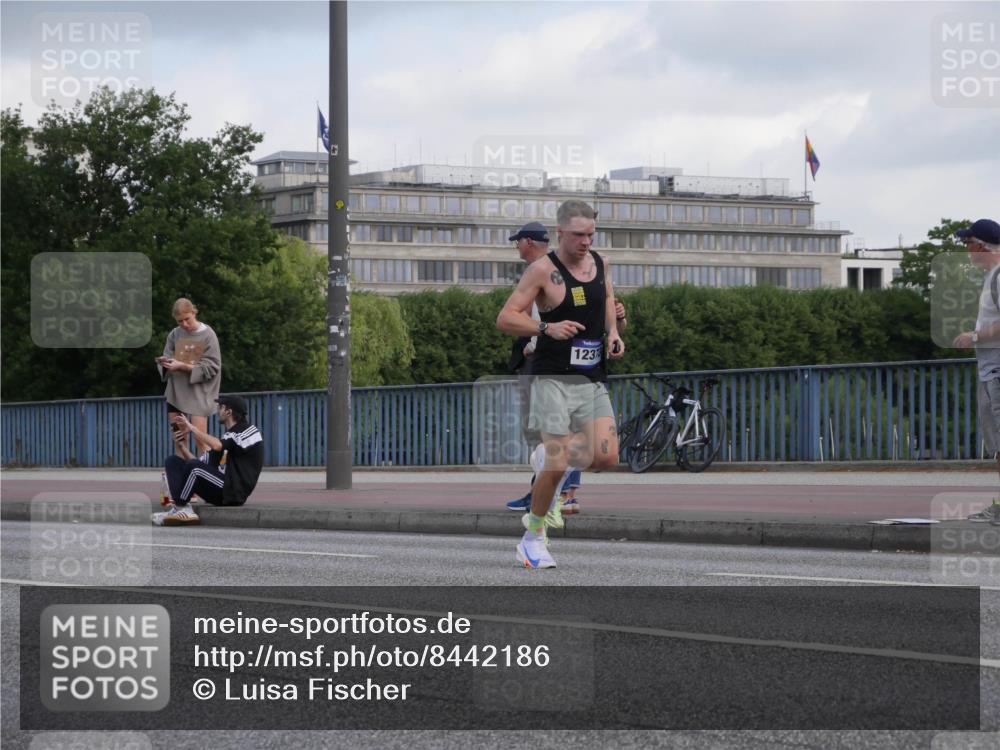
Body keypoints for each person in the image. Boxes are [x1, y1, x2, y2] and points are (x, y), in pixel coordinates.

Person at [497, 199, 625, 568]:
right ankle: (533, 538)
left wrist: (614, 332)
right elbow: (505, 318)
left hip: (591, 376)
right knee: (557, 460)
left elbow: (608, 298)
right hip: (552, 377)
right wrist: (545, 327)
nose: (586, 241)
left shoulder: (600, 263)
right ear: (560, 233)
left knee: (606, 456)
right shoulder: (541, 270)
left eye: (591, 234)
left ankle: (547, 458)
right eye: (578, 235)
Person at [952, 218, 1000, 523]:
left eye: (968, 244)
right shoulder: (992, 277)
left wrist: (976, 336)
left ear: (982, 246)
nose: (967, 252)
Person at [152, 394, 264, 526]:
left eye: (220, 407)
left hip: (233, 492)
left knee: (194, 468)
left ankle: (181, 507)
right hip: (220, 487)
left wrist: (192, 428)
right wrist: (182, 447)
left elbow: (216, 446)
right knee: (173, 461)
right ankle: (179, 508)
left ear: (229, 412)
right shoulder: (228, 437)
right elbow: (198, 463)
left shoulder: (249, 431)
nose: (218, 410)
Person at [158, 298, 222, 457]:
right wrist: (165, 363)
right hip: (176, 392)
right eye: (180, 321)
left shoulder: (208, 335)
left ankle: (206, 475)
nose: (184, 324)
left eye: (187, 319)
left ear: (194, 312)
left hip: (199, 393)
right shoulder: (174, 334)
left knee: (201, 440)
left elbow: (213, 367)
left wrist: (183, 366)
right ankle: (182, 477)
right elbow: (167, 356)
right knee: (179, 439)